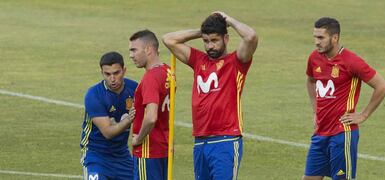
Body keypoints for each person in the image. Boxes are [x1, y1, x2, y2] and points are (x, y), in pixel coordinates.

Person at [163, 11, 258, 180]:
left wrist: (228, 20)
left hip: (226, 140)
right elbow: (169, 39)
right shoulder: (199, 60)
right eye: (206, 41)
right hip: (200, 141)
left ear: (226, 39)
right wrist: (201, 31)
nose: (209, 46)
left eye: (214, 40)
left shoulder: (236, 62)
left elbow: (250, 37)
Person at [303, 17, 385, 180]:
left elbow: (382, 86)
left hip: (342, 134)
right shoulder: (314, 58)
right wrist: (315, 110)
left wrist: (363, 114)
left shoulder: (351, 61)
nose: (316, 42)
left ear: (335, 38)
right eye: (315, 37)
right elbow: (310, 80)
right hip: (320, 133)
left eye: (321, 37)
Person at [80, 51, 138, 180]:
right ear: (102, 73)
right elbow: (108, 132)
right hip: (95, 155)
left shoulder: (135, 89)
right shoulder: (94, 95)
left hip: (122, 154)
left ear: (124, 70)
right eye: (107, 74)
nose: (112, 78)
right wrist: (129, 119)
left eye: (116, 73)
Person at [129, 29, 171, 180]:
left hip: (148, 150)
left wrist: (138, 139)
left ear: (148, 49)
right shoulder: (168, 71)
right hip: (164, 147)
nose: (131, 55)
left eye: (134, 50)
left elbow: (151, 117)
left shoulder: (150, 78)